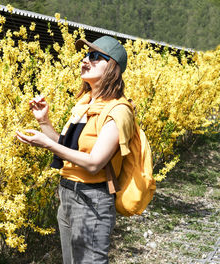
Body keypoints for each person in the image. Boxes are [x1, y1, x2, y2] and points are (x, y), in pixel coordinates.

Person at [16, 35, 135, 264]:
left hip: (92, 200)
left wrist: (47, 143)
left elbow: (93, 162)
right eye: (84, 55)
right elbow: (67, 147)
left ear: (113, 68)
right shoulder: (84, 104)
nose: (84, 60)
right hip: (68, 195)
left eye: (94, 56)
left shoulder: (119, 111)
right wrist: (44, 123)